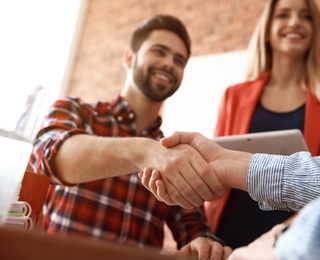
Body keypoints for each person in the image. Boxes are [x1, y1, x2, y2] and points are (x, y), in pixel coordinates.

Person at [29, 14, 231, 260]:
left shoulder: (172, 154)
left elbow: (195, 229)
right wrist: (146, 152)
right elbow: (51, 158)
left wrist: (204, 244)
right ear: (129, 57)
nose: (169, 63)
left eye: (179, 60)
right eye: (159, 51)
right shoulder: (74, 111)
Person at [140, 102, 320, 259]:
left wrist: (278, 245)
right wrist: (224, 166)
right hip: (243, 233)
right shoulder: (236, 95)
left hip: (290, 234)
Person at [206, 0, 320, 248]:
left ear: (315, 30)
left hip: (291, 240)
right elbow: (215, 165)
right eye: (283, 14)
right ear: (267, 29)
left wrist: (281, 236)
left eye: (305, 16)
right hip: (228, 233)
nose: (295, 22)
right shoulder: (234, 95)